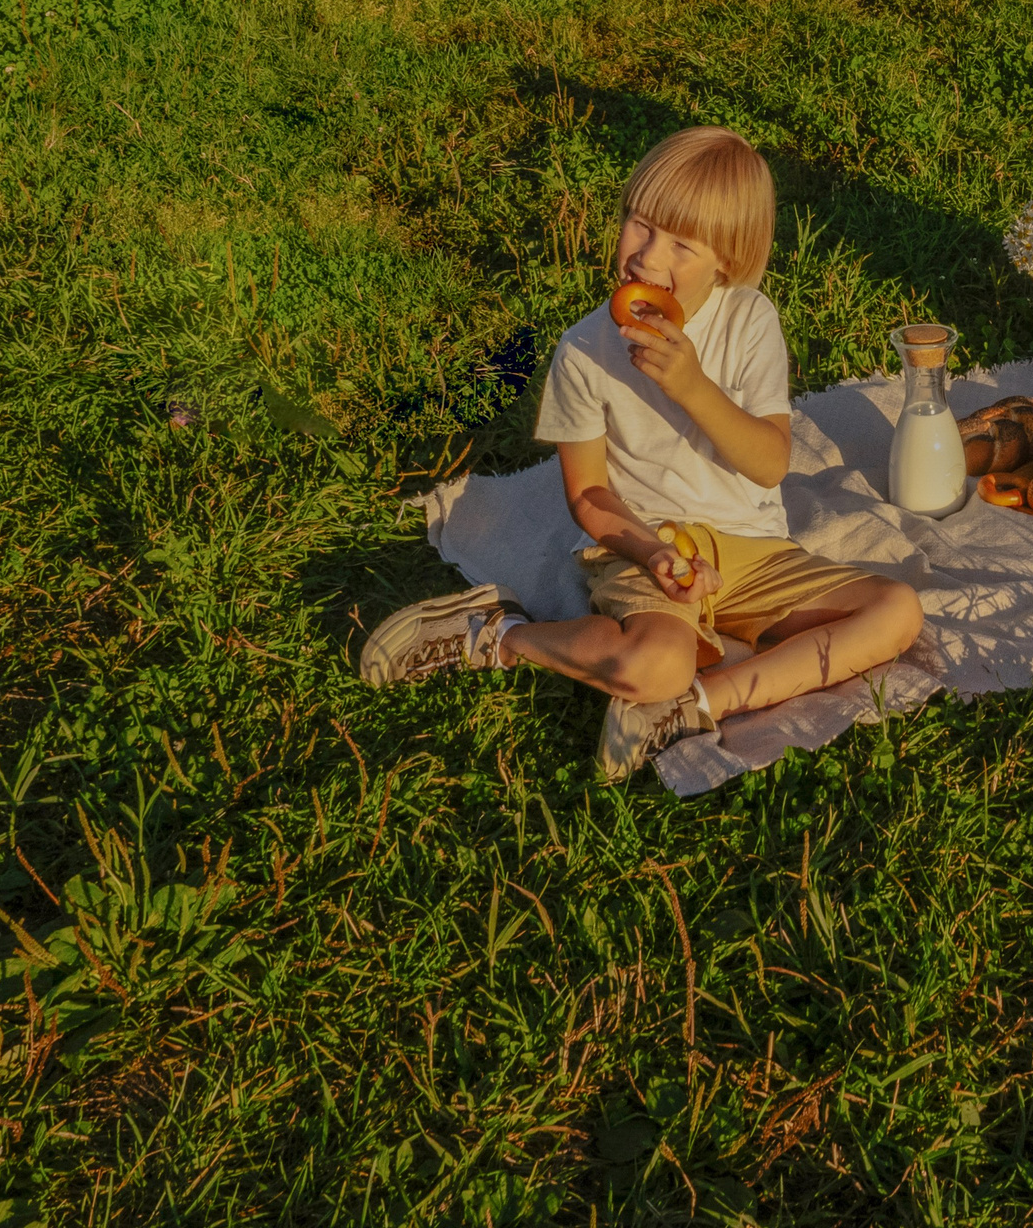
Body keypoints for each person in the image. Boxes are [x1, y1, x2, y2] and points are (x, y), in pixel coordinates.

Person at [359, 127, 923, 779]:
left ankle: (694, 705)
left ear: (726, 262)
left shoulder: (750, 321)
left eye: (681, 243)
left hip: (754, 550)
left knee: (895, 610)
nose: (647, 256)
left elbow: (769, 462)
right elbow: (589, 497)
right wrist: (652, 554)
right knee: (650, 663)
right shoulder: (582, 350)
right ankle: (496, 634)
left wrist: (692, 387)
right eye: (639, 224)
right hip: (645, 540)